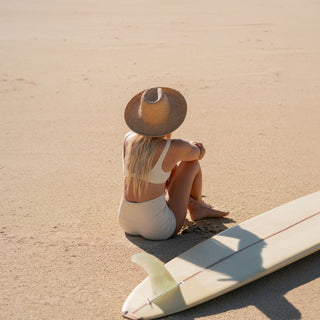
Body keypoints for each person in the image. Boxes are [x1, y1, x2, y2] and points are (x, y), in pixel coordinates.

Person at [118, 87, 228, 240]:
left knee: (167, 166)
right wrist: (186, 144)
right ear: (169, 119)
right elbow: (198, 153)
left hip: (125, 220)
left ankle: (195, 205)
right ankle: (198, 206)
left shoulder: (128, 138)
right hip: (158, 227)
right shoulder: (174, 147)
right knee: (191, 164)